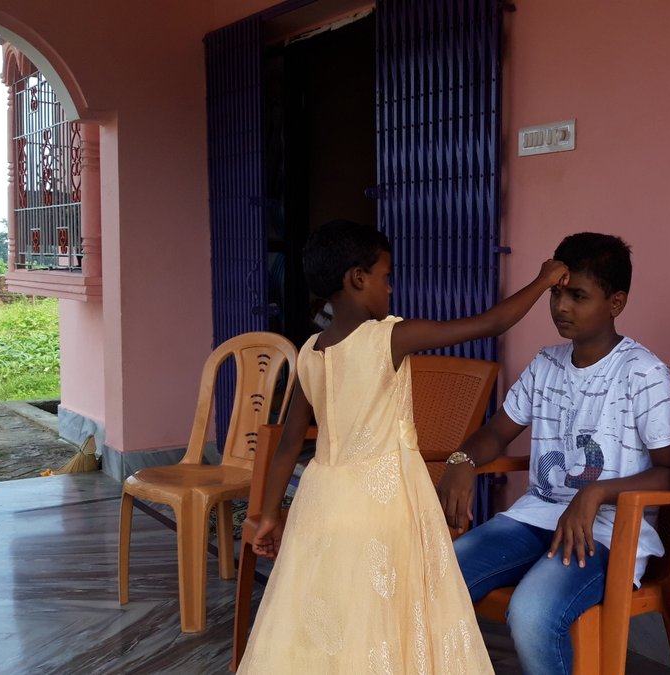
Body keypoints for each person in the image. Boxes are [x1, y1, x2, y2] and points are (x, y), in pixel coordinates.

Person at [237, 219, 568, 673]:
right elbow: (491, 322)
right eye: (385, 277)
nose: (390, 289)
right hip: (385, 503)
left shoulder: (312, 350)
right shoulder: (389, 337)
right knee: (392, 612)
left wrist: (272, 514)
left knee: (337, 614)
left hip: (322, 503)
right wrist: (544, 280)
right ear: (357, 279)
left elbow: (289, 443)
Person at [437, 232, 670, 675]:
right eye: (556, 293)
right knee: (438, 575)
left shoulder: (644, 374)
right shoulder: (546, 364)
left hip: (607, 536)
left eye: (578, 296)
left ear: (616, 303)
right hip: (536, 518)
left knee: (532, 612)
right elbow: (496, 431)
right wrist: (461, 460)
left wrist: (594, 495)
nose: (561, 306)